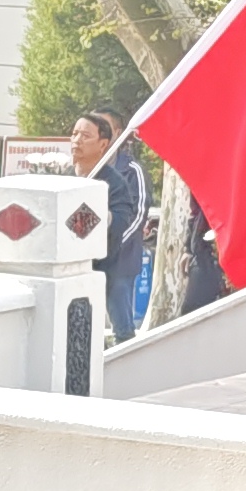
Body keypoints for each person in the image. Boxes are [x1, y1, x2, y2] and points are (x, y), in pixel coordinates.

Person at [69, 108, 147, 340]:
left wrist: (105, 224)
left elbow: (129, 219)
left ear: (104, 143)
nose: (77, 140)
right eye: (74, 134)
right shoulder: (62, 177)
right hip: (72, 268)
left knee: (121, 328)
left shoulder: (117, 181)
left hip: (115, 263)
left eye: (85, 136)